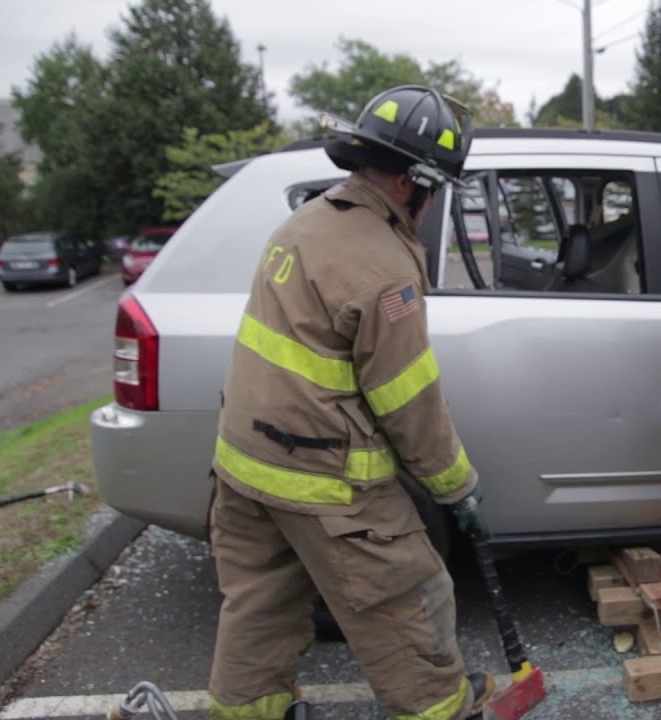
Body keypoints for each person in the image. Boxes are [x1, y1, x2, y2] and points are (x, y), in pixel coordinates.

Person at [206, 85, 495, 720]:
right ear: (409, 183)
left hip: (244, 463)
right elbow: (408, 402)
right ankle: (441, 708)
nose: (432, 202)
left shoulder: (304, 221)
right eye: (434, 188)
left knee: (260, 601)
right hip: (323, 475)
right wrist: (456, 487)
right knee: (408, 594)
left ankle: (251, 710)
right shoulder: (384, 266)